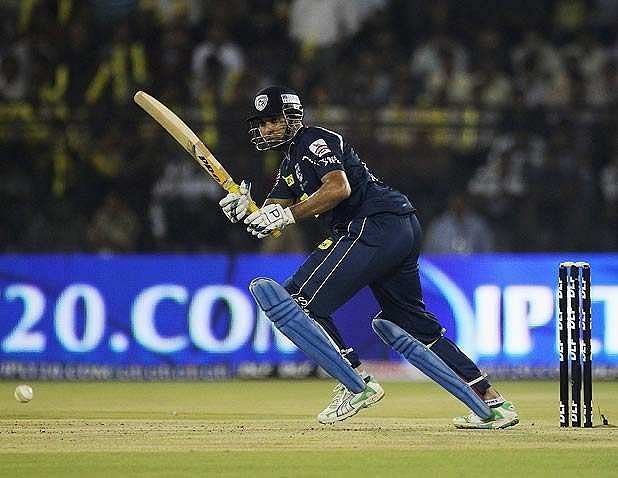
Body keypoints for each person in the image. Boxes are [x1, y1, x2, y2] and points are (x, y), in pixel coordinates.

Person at [218, 86, 519, 429]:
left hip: (372, 225)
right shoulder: (290, 163)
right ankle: (494, 403)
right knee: (411, 326)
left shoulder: (313, 140)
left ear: (292, 117)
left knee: (296, 301)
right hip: (397, 226)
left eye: (273, 120)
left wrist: (286, 217)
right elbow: (271, 215)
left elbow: (337, 188)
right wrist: (245, 210)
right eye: (262, 123)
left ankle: (357, 382)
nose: (268, 129)